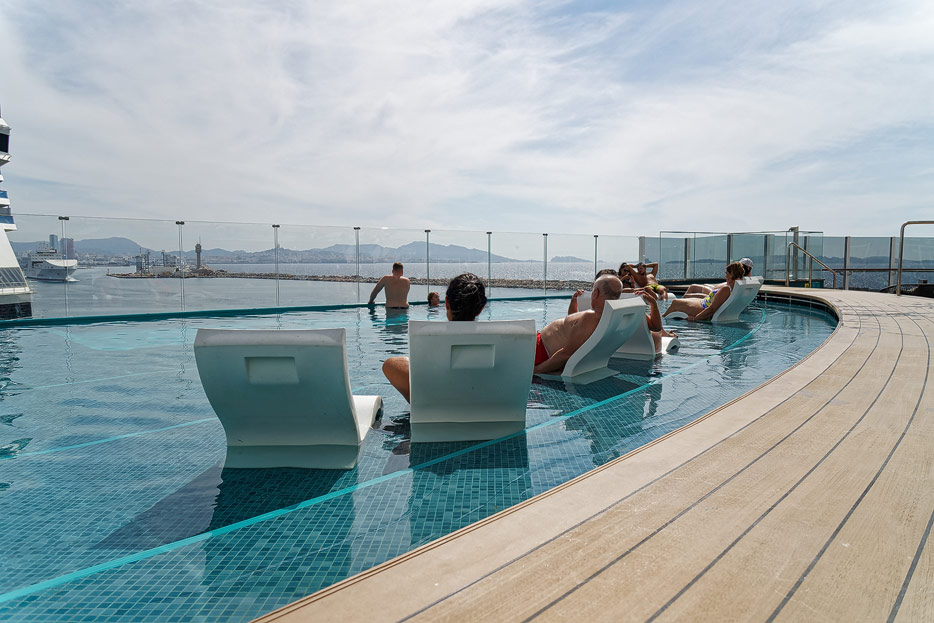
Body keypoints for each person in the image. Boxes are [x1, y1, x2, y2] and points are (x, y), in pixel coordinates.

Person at [382, 273, 487, 402]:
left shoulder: (429, 339)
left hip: (436, 401)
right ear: (481, 308)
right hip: (487, 404)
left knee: (391, 364)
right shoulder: (503, 342)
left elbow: (391, 366)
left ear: (446, 303)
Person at [534, 275, 623, 375]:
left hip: (539, 351)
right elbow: (574, 330)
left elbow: (566, 354)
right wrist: (574, 302)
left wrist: (536, 370)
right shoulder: (609, 316)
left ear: (596, 293)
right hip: (541, 348)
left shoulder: (591, 317)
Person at [663, 262, 745, 321]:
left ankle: (661, 320)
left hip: (702, 307)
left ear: (731, 274)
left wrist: (695, 318)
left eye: (726, 273)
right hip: (703, 302)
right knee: (686, 297)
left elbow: (711, 309)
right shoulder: (736, 287)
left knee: (675, 302)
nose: (725, 276)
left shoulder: (726, 289)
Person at [683, 257, 753, 298]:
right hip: (717, 292)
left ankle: (681, 306)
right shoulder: (744, 279)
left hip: (716, 294)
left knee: (693, 287)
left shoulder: (736, 279)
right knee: (704, 285)